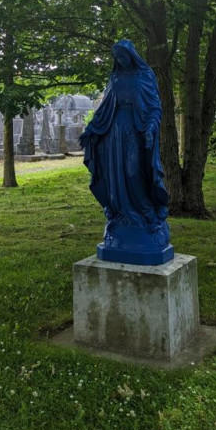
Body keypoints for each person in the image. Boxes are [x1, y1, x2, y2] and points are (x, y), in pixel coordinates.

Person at [80, 39, 174, 265]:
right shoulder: (115, 78)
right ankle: (121, 215)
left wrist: (151, 128)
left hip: (135, 131)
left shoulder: (145, 76)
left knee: (133, 173)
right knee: (115, 177)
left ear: (132, 56)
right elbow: (104, 108)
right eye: (117, 57)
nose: (120, 60)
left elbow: (154, 106)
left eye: (123, 56)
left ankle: (148, 215)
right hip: (114, 132)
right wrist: (93, 128)